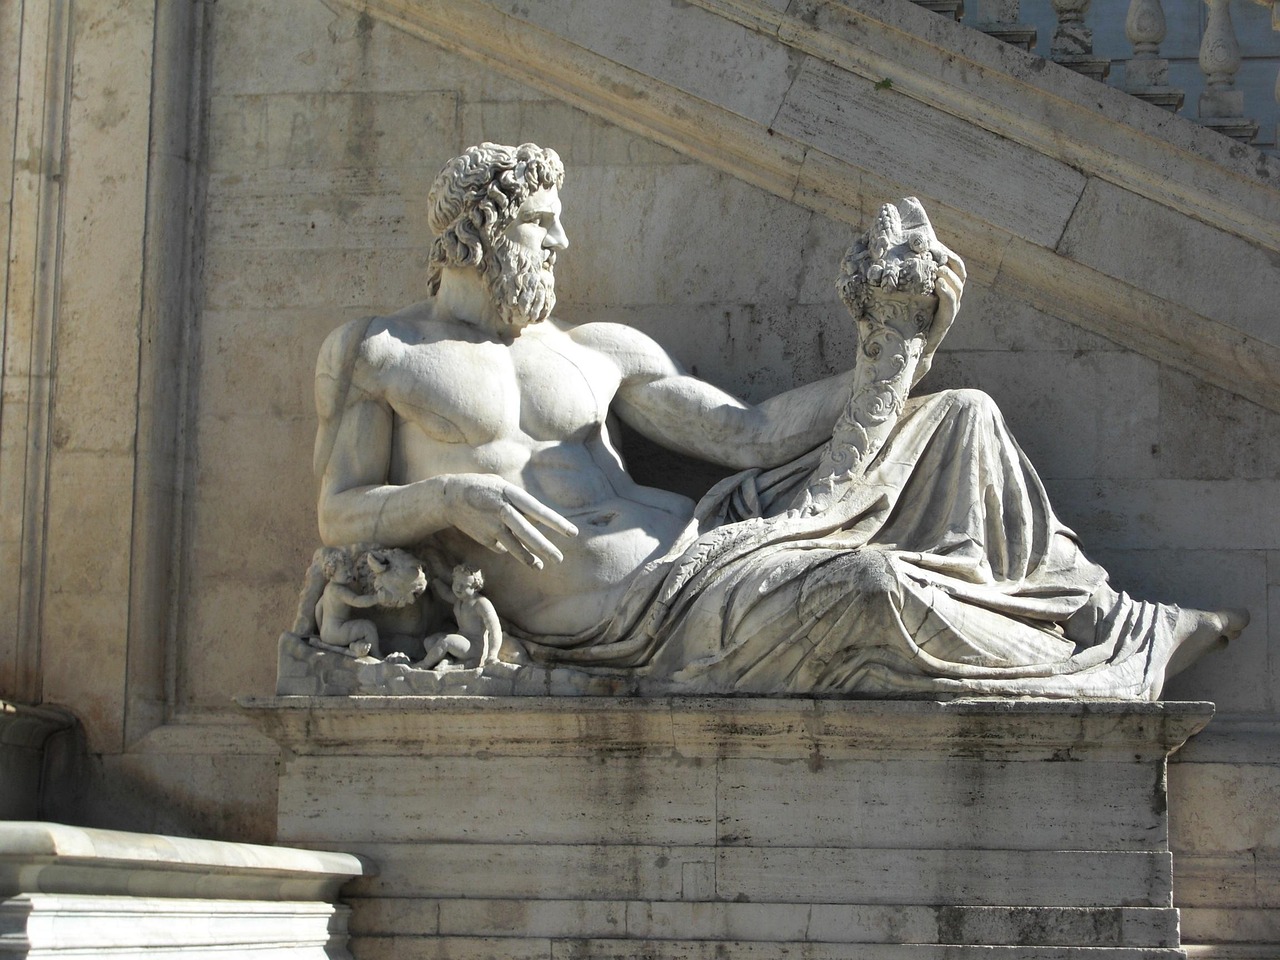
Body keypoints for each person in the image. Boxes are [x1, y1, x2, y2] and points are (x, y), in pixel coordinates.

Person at [312, 141, 1244, 698]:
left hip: (717, 541)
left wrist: (890, 353)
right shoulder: (383, 351)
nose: (561, 242)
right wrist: (445, 495)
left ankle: (1110, 620)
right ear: (476, 231)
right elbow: (339, 512)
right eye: (540, 224)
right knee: (871, 587)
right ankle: (1093, 668)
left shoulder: (594, 348)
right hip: (624, 616)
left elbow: (746, 435)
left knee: (960, 413)